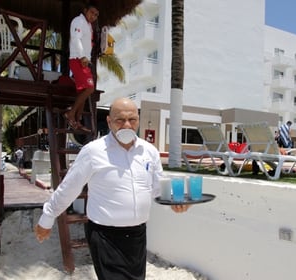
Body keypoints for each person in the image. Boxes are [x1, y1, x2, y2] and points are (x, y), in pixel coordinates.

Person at [34, 97, 190, 280]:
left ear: (138, 120)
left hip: (137, 235)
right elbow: (69, 188)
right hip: (105, 236)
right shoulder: (93, 151)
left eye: (132, 120)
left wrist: (173, 200)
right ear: (109, 122)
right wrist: (48, 217)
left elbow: (156, 188)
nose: (127, 125)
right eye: (120, 120)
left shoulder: (149, 152)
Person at [63, 4, 99, 133]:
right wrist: (83, 56)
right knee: (90, 88)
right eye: (92, 12)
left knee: (83, 92)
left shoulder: (88, 25)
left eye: (96, 15)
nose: (93, 16)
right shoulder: (78, 21)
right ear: (85, 11)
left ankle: (77, 121)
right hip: (78, 59)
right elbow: (76, 39)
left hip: (84, 61)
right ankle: (71, 114)